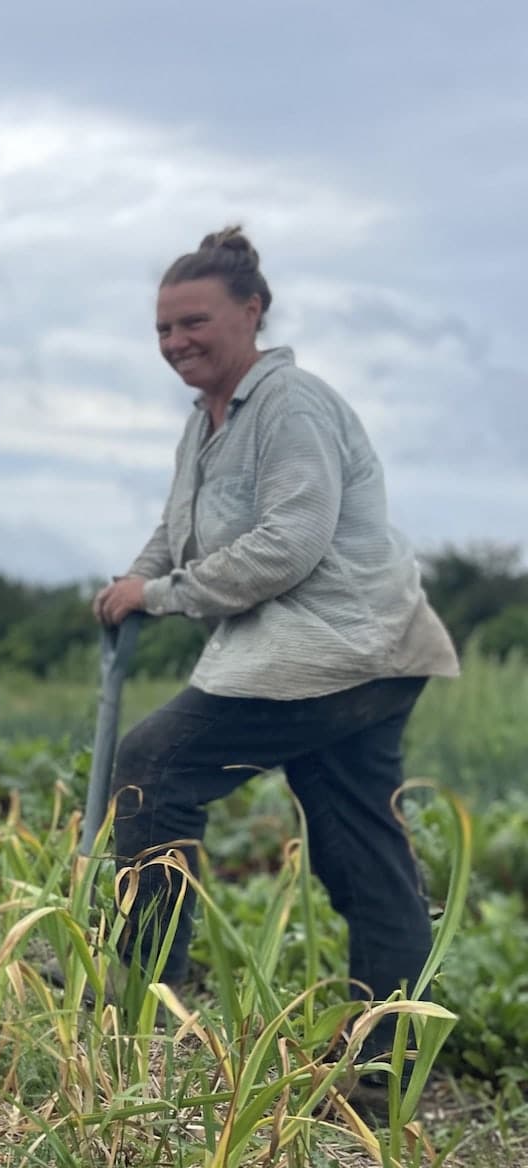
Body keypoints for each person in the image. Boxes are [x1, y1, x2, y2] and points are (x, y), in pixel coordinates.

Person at [94, 226, 460, 1106]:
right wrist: (139, 578)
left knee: (150, 768)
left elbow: (290, 545)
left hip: (333, 649)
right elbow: (176, 528)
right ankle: (386, 1066)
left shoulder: (290, 404)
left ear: (251, 311)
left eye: (194, 322)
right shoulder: (209, 422)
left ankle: (145, 1015)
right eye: (162, 331)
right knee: (359, 842)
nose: (177, 343)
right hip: (358, 655)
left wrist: (166, 596)